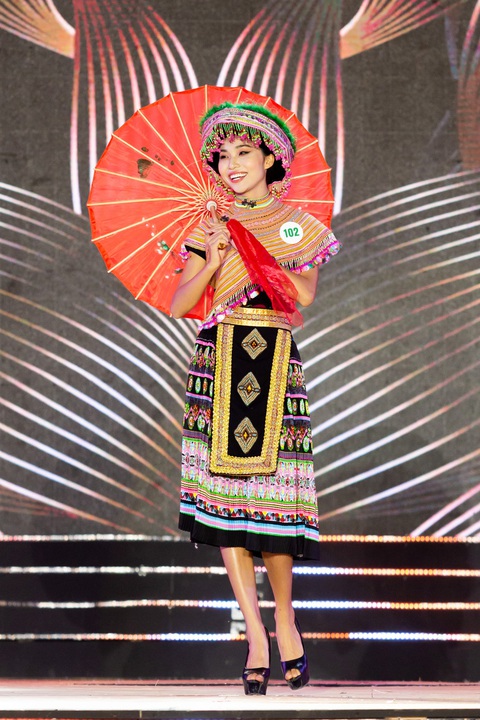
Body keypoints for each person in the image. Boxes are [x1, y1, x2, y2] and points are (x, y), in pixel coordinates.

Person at [171, 103, 340, 695]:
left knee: (271, 504)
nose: (232, 165)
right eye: (224, 156)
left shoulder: (295, 225)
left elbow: (305, 295)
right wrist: (214, 259)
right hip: (219, 360)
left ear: (271, 158)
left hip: (272, 357)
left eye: (245, 153)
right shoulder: (209, 225)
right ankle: (256, 637)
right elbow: (181, 302)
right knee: (226, 508)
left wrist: (259, 254)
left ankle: (286, 620)